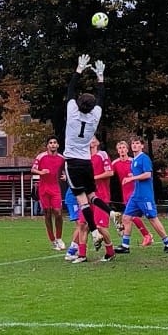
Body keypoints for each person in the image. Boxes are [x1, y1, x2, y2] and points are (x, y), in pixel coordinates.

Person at [61, 54, 115, 251]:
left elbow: (70, 90)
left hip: (72, 162)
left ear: (78, 103)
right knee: (92, 195)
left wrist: (78, 69)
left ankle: (93, 232)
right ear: (92, 107)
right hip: (86, 162)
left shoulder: (73, 112)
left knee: (82, 200)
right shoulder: (95, 117)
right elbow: (101, 97)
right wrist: (100, 77)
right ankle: (110, 212)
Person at [115, 137, 168, 254]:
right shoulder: (134, 161)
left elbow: (147, 174)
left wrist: (131, 178)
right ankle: (125, 245)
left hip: (145, 196)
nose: (134, 145)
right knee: (126, 218)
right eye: (133, 143)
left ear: (142, 146)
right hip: (135, 196)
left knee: (152, 219)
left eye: (137, 143)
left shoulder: (144, 158)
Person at [111, 139, 153, 246]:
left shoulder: (133, 161)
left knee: (132, 216)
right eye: (119, 148)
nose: (122, 150)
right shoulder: (115, 163)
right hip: (125, 191)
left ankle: (146, 235)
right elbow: (108, 173)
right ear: (117, 151)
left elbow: (143, 173)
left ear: (127, 149)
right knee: (131, 216)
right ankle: (146, 236)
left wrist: (133, 177)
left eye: (124, 148)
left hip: (136, 190)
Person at [31, 136, 66, 250]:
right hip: (44, 188)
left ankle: (59, 238)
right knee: (47, 213)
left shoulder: (62, 158)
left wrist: (65, 176)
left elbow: (67, 169)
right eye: (50, 143)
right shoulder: (41, 156)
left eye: (55, 142)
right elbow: (33, 169)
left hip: (55, 188)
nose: (53, 144)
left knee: (58, 213)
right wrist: (41, 172)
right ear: (47, 145)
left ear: (58, 145)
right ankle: (53, 240)